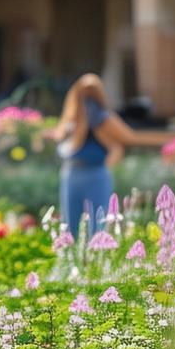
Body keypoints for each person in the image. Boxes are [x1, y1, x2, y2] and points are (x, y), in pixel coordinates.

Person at [53, 73, 134, 232]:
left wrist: (105, 168)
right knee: (71, 224)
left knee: (98, 224)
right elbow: (62, 136)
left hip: (94, 171)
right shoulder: (74, 116)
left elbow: (120, 145)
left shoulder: (99, 117)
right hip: (73, 171)